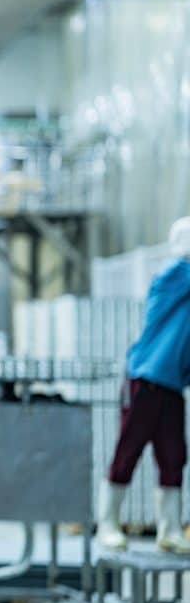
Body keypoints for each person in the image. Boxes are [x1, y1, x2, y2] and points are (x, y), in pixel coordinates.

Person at [97, 216, 190, 554]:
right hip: (145, 381)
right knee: (128, 450)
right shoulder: (173, 274)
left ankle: (169, 530)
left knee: (174, 456)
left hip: (171, 386)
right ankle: (107, 523)